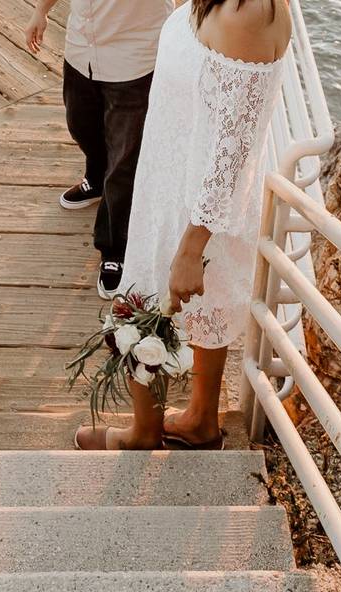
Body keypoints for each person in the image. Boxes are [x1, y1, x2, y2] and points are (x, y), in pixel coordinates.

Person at [74, 0, 291, 450]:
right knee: (200, 306)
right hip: (171, 179)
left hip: (199, 206)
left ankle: (143, 432)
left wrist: (193, 245)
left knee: (152, 302)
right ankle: (199, 421)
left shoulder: (247, 15)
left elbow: (233, 151)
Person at [25, 0, 175, 299]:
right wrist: (40, 11)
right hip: (81, 49)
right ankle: (95, 180)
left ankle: (115, 248)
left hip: (135, 57)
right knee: (80, 124)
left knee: (124, 162)